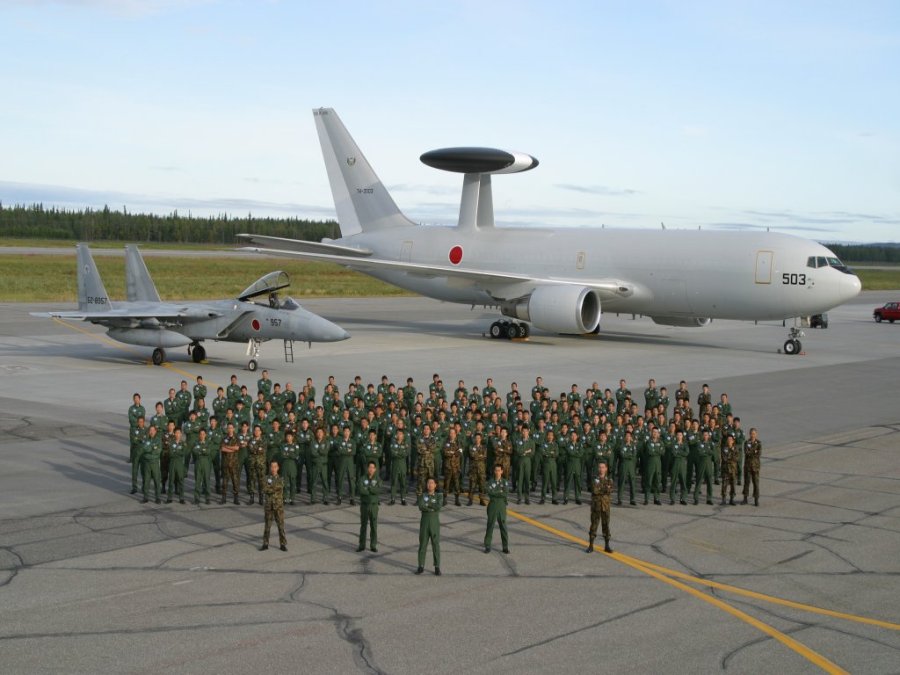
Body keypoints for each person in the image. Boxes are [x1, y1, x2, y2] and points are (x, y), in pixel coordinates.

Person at [416, 477, 442, 575]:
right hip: (424, 522)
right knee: (422, 544)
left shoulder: (439, 496)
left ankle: (437, 566)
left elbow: (438, 506)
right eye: (428, 483)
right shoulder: (423, 495)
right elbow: (421, 506)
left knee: (435, 544)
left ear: (435, 485)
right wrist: (431, 507)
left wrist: (428, 506)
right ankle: (421, 565)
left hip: (434, 523)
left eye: (431, 483)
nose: (429, 484)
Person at [587, 461, 614, 553]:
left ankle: (607, 546)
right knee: (594, 526)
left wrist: (601, 488)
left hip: (605, 507)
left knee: (606, 526)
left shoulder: (609, 480)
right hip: (596, 506)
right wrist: (604, 488)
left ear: (606, 469)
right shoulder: (594, 479)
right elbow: (594, 490)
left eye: (603, 467)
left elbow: (610, 490)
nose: (601, 469)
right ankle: (591, 545)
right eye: (599, 467)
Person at [260, 461, 287, 551]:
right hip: (269, 505)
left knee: (280, 526)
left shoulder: (281, 478)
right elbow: (264, 488)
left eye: (275, 467)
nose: (273, 469)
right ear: (270, 468)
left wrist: (270, 487)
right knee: (267, 526)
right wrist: (272, 487)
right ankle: (265, 543)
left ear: (278, 468)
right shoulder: (266, 478)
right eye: (272, 467)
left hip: (278, 506)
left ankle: (283, 544)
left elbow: (278, 487)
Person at [484, 464, 510, 554]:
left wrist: (496, 492)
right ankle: (487, 545)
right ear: (494, 471)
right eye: (496, 470)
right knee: (490, 525)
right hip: (492, 505)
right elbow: (490, 493)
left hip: (501, 506)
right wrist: (499, 492)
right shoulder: (490, 482)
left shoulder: (505, 482)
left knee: (503, 526)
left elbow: (505, 493)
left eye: (499, 470)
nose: (497, 472)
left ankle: (505, 546)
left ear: (502, 471)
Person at [357, 461, 381, 552]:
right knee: (363, 526)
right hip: (364, 505)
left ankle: (373, 545)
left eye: (372, 467)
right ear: (367, 468)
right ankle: (361, 545)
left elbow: (377, 490)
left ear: (375, 469)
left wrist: (368, 488)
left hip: (374, 506)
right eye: (369, 467)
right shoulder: (362, 478)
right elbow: (361, 490)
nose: (371, 469)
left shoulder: (378, 479)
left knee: (373, 526)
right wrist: (371, 490)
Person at [220, 423, 241, 505]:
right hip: (226, 463)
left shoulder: (237, 438)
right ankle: (223, 498)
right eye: (228, 428)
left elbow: (237, 448)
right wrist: (232, 448)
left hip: (234, 464)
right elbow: (222, 448)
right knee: (225, 481)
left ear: (234, 429)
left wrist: (227, 447)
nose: (230, 429)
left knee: (235, 481)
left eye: (231, 428)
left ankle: (236, 498)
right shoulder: (224, 438)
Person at [165, 428, 188, 504]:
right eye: (176, 433)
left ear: (181, 434)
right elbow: (171, 454)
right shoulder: (171, 443)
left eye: (179, 433)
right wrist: (178, 452)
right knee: (171, 480)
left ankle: (181, 498)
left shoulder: (183, 443)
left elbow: (184, 453)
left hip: (180, 464)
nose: (178, 434)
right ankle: (169, 497)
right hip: (172, 463)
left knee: (181, 480)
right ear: (174, 434)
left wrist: (176, 451)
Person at [742, 428, 762, 506]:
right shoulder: (746, 442)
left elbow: (759, 453)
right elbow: (746, 452)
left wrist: (752, 451)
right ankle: (745, 498)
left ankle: (756, 499)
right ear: (749, 434)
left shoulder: (759, 443)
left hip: (756, 467)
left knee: (756, 483)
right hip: (747, 466)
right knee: (746, 482)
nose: (752, 435)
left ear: (756, 434)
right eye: (751, 433)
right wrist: (754, 451)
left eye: (754, 433)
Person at [720, 434, 739, 505]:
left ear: (733, 441)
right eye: (728, 440)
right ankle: (723, 499)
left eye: (731, 440)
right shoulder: (724, 448)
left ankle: (732, 499)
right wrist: (731, 458)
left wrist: (729, 456)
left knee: (733, 485)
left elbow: (737, 458)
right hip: (725, 469)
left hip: (733, 470)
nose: (729, 441)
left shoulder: (735, 448)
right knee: (724, 485)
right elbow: (724, 458)